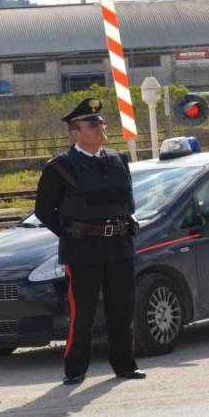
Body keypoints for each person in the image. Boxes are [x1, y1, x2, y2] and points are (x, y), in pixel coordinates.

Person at [34, 97, 145, 385]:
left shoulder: (118, 159)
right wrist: (73, 232)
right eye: (92, 123)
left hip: (119, 246)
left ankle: (124, 365)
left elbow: (127, 202)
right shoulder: (60, 167)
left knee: (121, 310)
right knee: (82, 313)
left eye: (102, 122)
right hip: (83, 250)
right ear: (75, 132)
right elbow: (44, 211)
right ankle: (75, 369)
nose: (101, 127)